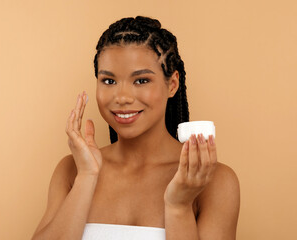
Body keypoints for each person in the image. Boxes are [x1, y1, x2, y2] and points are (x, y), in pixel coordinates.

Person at [31, 16, 240, 240]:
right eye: (109, 81)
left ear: (172, 84)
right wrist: (87, 177)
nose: (122, 97)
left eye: (141, 81)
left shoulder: (212, 180)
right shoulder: (72, 171)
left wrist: (178, 206)